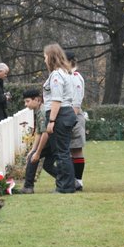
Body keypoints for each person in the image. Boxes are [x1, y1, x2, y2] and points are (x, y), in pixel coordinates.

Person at [43, 43, 77, 193]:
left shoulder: (57, 75)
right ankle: (68, 185)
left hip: (60, 114)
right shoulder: (65, 72)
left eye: (45, 57)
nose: (44, 60)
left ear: (51, 57)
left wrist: (51, 121)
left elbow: (56, 100)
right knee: (63, 152)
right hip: (66, 113)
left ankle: (65, 187)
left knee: (61, 153)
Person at [20, 89, 55, 194]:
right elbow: (39, 133)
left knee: (33, 159)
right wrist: (33, 150)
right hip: (51, 141)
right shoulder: (39, 111)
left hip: (52, 141)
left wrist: (37, 153)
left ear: (37, 100)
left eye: (27, 101)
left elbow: (45, 134)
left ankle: (28, 187)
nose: (26, 104)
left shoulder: (43, 112)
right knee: (47, 165)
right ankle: (68, 180)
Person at [65, 50, 87, 191]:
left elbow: (76, 102)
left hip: (73, 116)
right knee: (68, 150)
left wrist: (70, 119)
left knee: (76, 149)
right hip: (67, 115)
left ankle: (78, 180)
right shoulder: (66, 77)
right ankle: (71, 179)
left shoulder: (75, 77)